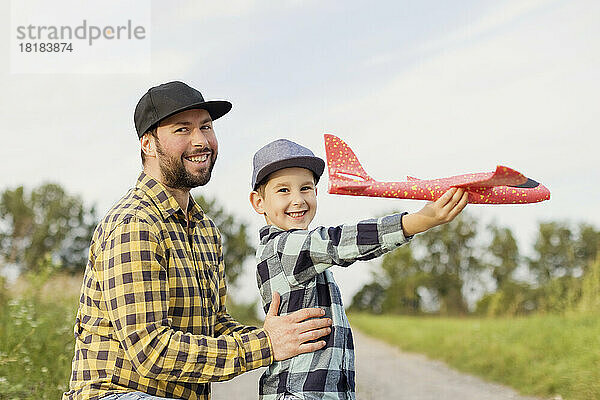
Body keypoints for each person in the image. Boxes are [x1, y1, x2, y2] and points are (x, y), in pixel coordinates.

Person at [63, 81, 332, 400]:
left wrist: (280, 335)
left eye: (206, 127)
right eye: (182, 129)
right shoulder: (134, 223)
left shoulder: (205, 230)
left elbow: (214, 326)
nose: (201, 140)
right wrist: (265, 345)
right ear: (148, 144)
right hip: (115, 394)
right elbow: (152, 351)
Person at [248, 139, 468, 399]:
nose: (298, 200)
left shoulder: (303, 255)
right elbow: (339, 242)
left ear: (316, 193)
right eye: (283, 190)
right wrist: (417, 221)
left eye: (305, 188)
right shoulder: (282, 248)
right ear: (259, 202)